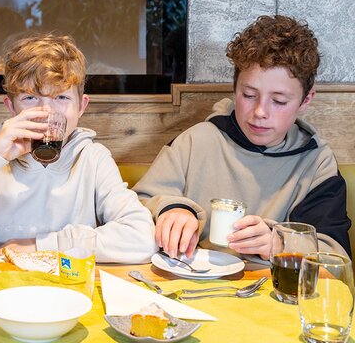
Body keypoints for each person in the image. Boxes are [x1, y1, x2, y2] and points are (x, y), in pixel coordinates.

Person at [133, 15, 351, 262]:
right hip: (188, 288)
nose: (260, 112)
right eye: (248, 95)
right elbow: (137, 205)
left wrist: (278, 243)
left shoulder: (316, 163)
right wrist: (171, 209)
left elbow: (335, 259)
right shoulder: (196, 142)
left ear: (305, 101)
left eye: (279, 101)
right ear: (235, 87)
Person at [0, 33, 157, 263]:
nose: (46, 112)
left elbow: (142, 237)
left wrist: (40, 247)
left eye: (61, 97)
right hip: (3, 287)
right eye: (30, 99)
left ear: (81, 106)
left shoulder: (93, 159)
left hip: (70, 286)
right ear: (11, 107)